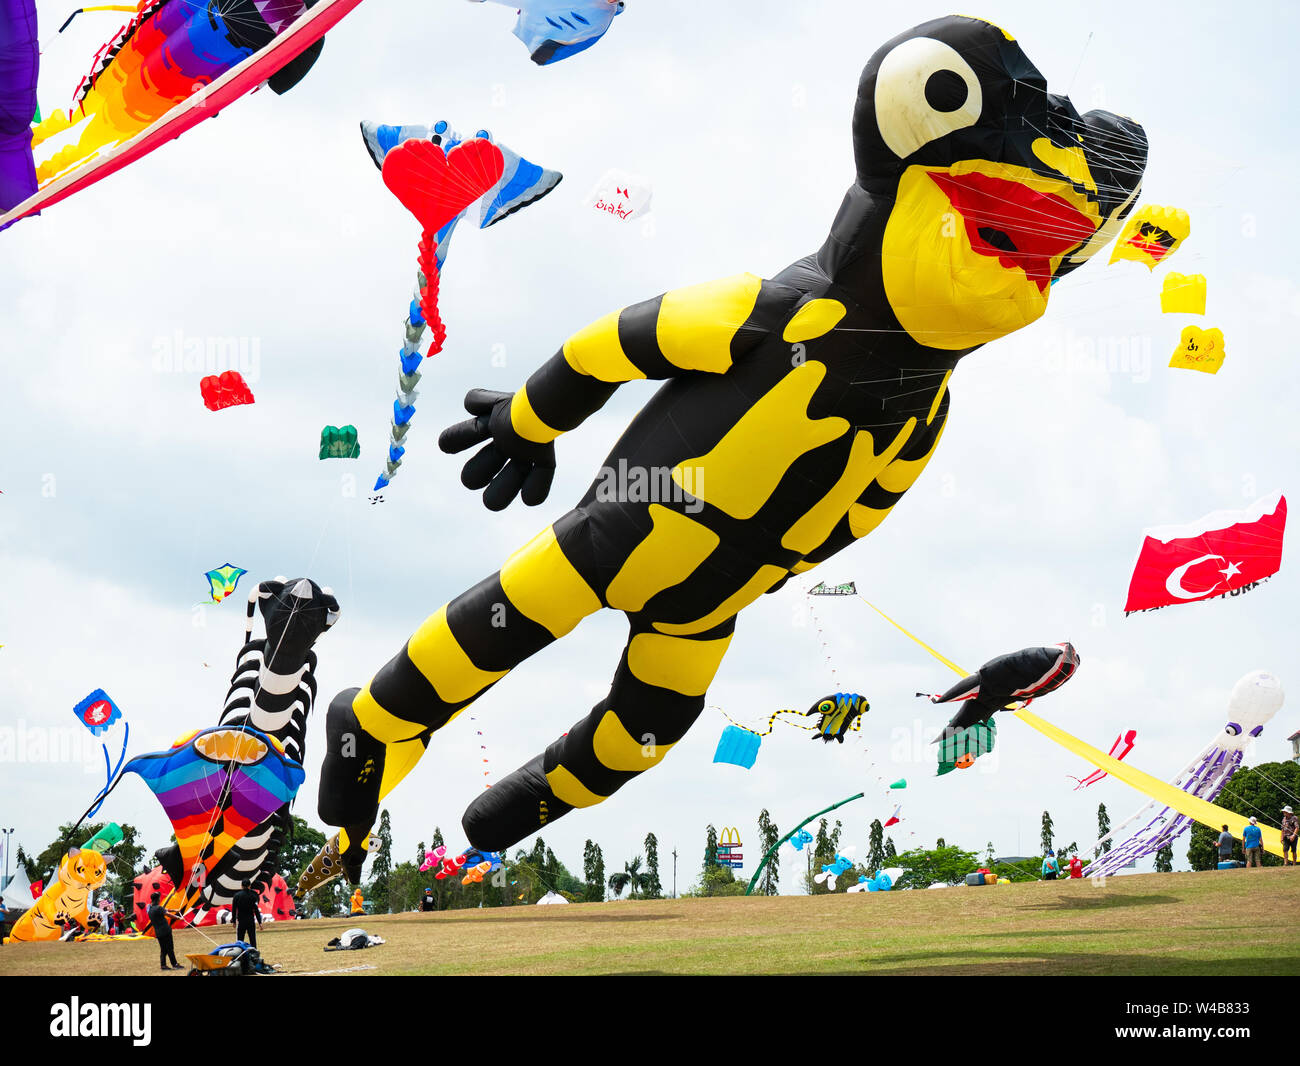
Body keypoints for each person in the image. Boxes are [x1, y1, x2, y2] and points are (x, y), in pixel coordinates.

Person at [146, 893, 182, 971]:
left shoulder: (149, 909)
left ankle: (163, 965)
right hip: (165, 931)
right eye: (159, 898)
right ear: (157, 899)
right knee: (170, 948)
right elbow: (167, 914)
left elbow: (164, 909)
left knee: (163, 949)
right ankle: (174, 964)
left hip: (158, 933)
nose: (160, 899)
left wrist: (174, 910)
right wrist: (178, 918)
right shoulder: (158, 908)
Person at [231, 880, 263, 949]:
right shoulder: (253, 895)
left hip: (241, 920)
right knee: (252, 940)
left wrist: (233, 921)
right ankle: (254, 954)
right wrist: (260, 922)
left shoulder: (237, 896)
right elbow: (256, 910)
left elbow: (234, 909)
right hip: (250, 920)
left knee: (239, 940)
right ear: (249, 886)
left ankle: (239, 955)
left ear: (241, 886)